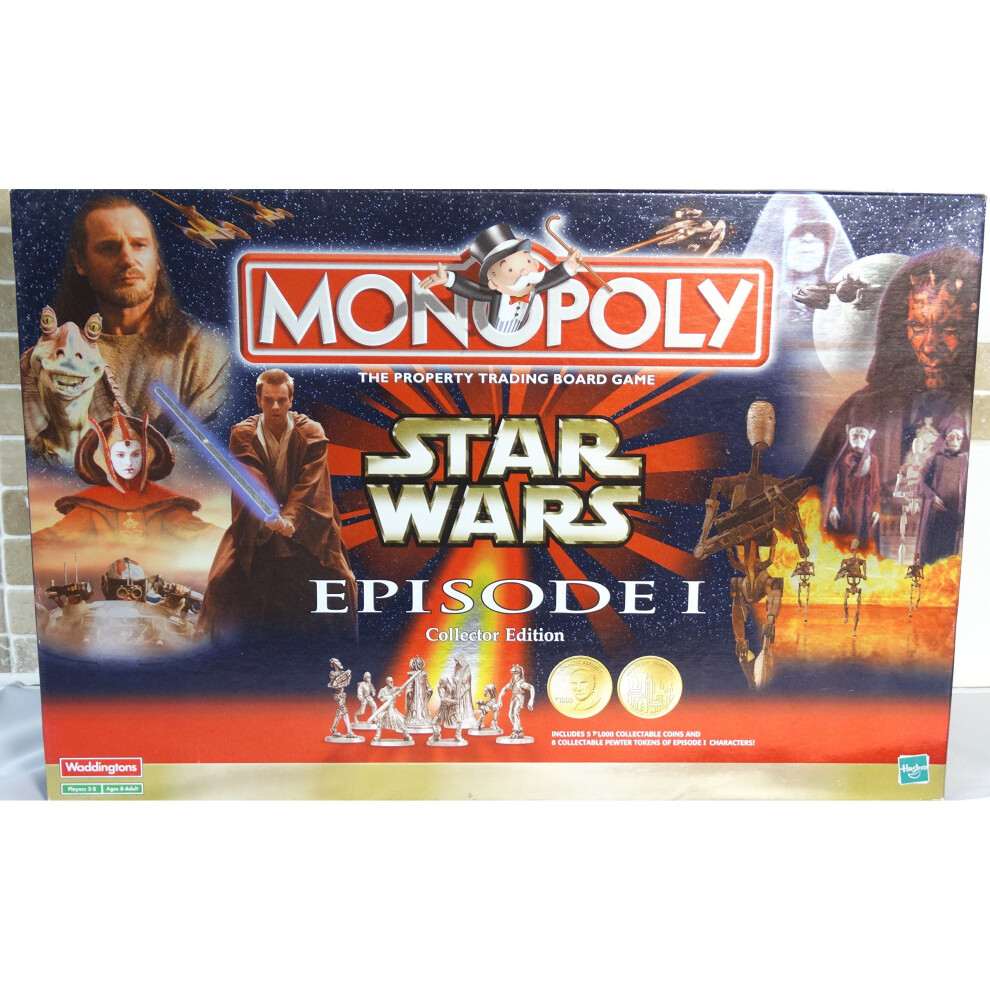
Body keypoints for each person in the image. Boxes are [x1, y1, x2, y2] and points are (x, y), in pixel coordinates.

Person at [805, 247, 980, 557]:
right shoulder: (862, 409)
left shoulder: (981, 410)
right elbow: (807, 499)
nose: (930, 345)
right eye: (918, 327)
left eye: (949, 329)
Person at [49, 194, 228, 436]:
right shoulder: (53, 357)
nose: (127, 260)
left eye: (139, 245)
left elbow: (200, 451)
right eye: (109, 247)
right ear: (80, 262)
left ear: (157, 258)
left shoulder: (208, 351)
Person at [198, 369, 357, 639]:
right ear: (259, 400)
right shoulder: (243, 433)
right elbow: (251, 477)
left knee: (343, 581)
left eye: (281, 400)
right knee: (220, 581)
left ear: (291, 400)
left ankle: (345, 651)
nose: (275, 407)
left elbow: (311, 484)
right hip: (257, 521)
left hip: (309, 521)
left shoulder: (311, 432)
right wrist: (268, 513)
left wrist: (291, 520)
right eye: (269, 400)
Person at [31, 406, 216, 554]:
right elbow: (55, 537)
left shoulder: (164, 503)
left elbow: (203, 533)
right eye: (120, 455)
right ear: (106, 459)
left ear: (147, 456)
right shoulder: (91, 504)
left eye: (135, 454)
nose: (128, 462)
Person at [419, 223, 582, 336]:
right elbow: (474, 290)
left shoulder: (531, 288)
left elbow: (550, 278)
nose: (524, 272)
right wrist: (448, 279)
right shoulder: (496, 295)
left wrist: (570, 265)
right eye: (510, 269)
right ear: (493, 282)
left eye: (527, 261)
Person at [823, 417, 881, 545]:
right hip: (844, 508)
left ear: (868, 437)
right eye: (855, 435)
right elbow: (833, 486)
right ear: (849, 435)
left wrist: (876, 509)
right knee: (844, 543)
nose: (858, 439)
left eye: (862, 436)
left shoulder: (873, 460)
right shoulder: (842, 459)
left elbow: (876, 486)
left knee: (863, 545)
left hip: (864, 509)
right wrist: (833, 507)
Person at [918, 417, 969, 564]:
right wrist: (931, 496)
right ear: (945, 438)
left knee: (948, 560)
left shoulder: (966, 462)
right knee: (930, 556)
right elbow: (921, 482)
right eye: (951, 437)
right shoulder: (936, 458)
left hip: (953, 517)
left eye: (959, 437)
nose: (955, 441)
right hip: (935, 515)